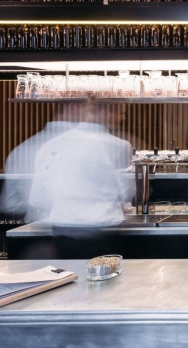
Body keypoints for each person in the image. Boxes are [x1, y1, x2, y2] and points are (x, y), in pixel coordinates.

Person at [30, 100, 134, 258]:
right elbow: (126, 194)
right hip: (102, 236)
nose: (123, 118)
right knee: (107, 275)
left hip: (62, 235)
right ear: (105, 113)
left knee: (67, 274)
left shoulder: (51, 145)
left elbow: (36, 199)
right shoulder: (118, 145)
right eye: (121, 113)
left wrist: (66, 205)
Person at [0, 103, 87, 225]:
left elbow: (10, 204)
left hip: (34, 229)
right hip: (78, 227)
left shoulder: (20, 150)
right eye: (89, 109)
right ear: (73, 108)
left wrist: (35, 209)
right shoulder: (87, 147)